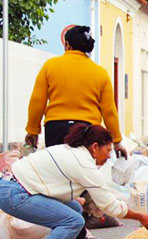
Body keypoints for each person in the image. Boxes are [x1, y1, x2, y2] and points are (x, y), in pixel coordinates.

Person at [0, 124, 148, 239]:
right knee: (73, 220)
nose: (109, 156)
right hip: (15, 193)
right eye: (108, 150)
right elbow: (110, 206)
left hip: (16, 187)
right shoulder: (84, 164)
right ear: (95, 147)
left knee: (75, 208)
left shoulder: (74, 152)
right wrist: (140, 216)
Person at [25, 25, 127, 159]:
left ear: (67, 44)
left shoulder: (50, 66)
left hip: (56, 128)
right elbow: (109, 110)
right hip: (87, 131)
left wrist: (33, 131)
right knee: (83, 170)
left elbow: (38, 101)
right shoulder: (100, 73)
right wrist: (117, 140)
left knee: (58, 169)